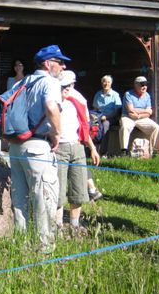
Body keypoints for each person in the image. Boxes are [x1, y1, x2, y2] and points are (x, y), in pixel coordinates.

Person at [9, 44, 67, 254]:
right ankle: (44, 249)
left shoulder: (23, 82)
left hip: (16, 147)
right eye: (59, 62)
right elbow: (51, 107)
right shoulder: (49, 82)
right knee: (44, 197)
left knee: (20, 199)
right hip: (37, 147)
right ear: (47, 63)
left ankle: (21, 247)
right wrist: (57, 133)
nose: (63, 66)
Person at [55, 71, 101, 230]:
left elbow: (83, 128)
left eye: (70, 85)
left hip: (77, 147)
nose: (68, 89)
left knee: (79, 189)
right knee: (58, 191)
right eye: (65, 86)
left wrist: (92, 148)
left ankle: (75, 226)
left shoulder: (78, 101)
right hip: (58, 148)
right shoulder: (52, 102)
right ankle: (58, 227)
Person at [119, 76, 159, 156]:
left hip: (141, 117)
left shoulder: (147, 96)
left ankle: (156, 152)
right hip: (128, 117)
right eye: (142, 84)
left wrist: (138, 116)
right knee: (125, 127)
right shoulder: (128, 94)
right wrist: (145, 110)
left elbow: (149, 113)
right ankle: (124, 151)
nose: (144, 87)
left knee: (156, 128)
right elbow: (130, 110)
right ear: (136, 85)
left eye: (146, 84)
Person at [92, 74, 122, 155]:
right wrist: (94, 118)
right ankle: (92, 149)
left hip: (111, 118)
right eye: (104, 82)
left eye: (108, 82)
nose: (106, 84)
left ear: (111, 83)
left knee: (105, 124)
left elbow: (116, 111)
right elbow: (95, 109)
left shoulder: (115, 95)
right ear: (102, 83)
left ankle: (103, 152)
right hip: (99, 117)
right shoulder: (98, 94)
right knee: (92, 124)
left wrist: (106, 117)